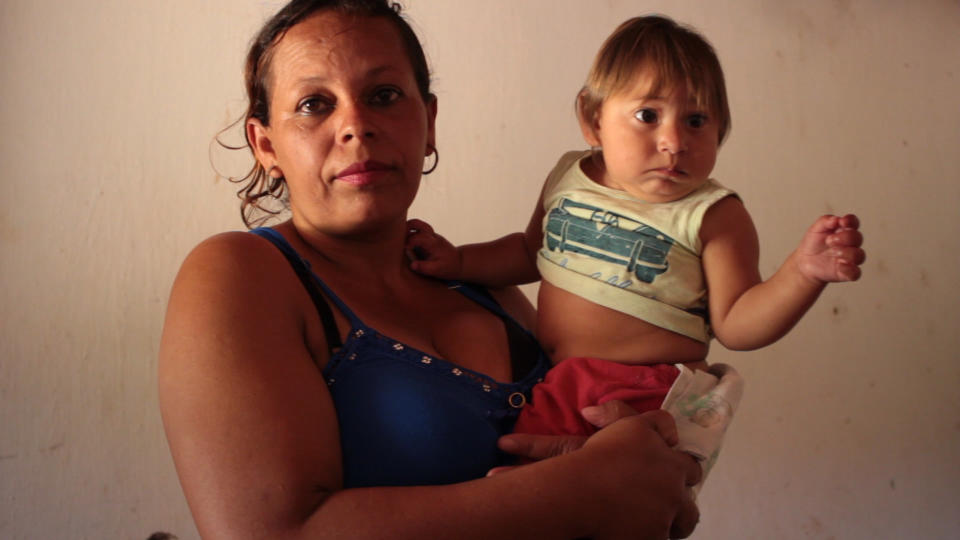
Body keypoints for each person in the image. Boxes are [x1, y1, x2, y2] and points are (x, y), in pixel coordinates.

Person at [158, 1, 704, 538]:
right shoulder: (241, 274)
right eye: (313, 105)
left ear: (430, 122)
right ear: (266, 145)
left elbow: (610, 466)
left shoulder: (487, 291)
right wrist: (583, 488)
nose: (356, 124)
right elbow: (271, 533)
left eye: (384, 95)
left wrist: (649, 456)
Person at [406, 15, 866, 486]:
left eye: (696, 120)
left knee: (567, 496)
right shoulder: (569, 177)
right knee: (522, 486)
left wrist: (802, 273)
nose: (674, 143)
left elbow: (738, 325)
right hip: (562, 379)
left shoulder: (712, 215)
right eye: (648, 115)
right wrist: (458, 260)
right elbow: (530, 251)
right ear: (592, 119)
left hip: (646, 391)